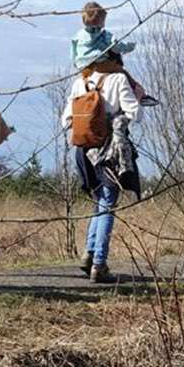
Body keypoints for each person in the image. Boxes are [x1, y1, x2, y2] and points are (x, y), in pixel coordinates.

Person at [64, 50, 146, 283]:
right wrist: (136, 98)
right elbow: (135, 114)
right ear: (114, 62)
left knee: (100, 200)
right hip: (108, 151)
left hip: (83, 150)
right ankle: (99, 263)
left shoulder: (80, 82)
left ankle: (89, 254)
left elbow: (66, 119)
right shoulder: (118, 80)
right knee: (108, 204)